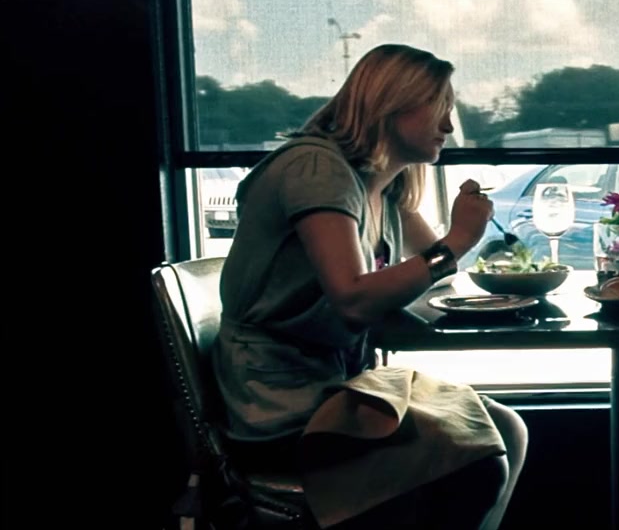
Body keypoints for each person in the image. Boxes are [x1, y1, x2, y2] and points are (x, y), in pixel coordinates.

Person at [210, 44, 527, 530]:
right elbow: (355, 299)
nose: (448, 125)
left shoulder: (384, 186)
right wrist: (458, 241)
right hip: (280, 407)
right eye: (438, 107)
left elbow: (432, 277)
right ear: (391, 104)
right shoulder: (316, 169)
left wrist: (460, 250)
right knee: (475, 464)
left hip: (339, 389)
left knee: (508, 428)